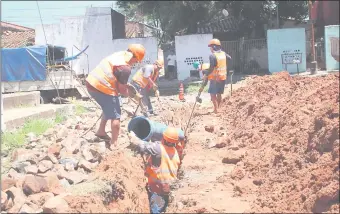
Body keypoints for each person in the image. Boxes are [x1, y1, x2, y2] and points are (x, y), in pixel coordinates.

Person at [85, 44, 145, 149]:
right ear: (134, 57)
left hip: (91, 82)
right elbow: (122, 90)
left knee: (108, 107)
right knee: (116, 115)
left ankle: (101, 131)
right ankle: (114, 144)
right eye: (136, 61)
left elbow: (116, 76)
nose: (134, 63)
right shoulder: (125, 68)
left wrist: (126, 85)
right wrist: (132, 95)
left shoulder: (119, 55)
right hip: (101, 87)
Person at [128, 127, 181, 214]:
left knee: (156, 210)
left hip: (158, 189)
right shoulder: (175, 151)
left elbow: (140, 144)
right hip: (170, 188)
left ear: (164, 138)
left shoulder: (158, 149)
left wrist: (132, 136)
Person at [199, 39, 231, 114]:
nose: (210, 49)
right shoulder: (223, 54)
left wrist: (205, 75)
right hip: (223, 76)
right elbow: (230, 58)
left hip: (215, 78)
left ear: (213, 47)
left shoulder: (212, 56)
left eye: (210, 47)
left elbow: (211, 68)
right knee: (219, 93)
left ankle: (216, 110)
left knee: (213, 94)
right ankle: (218, 108)